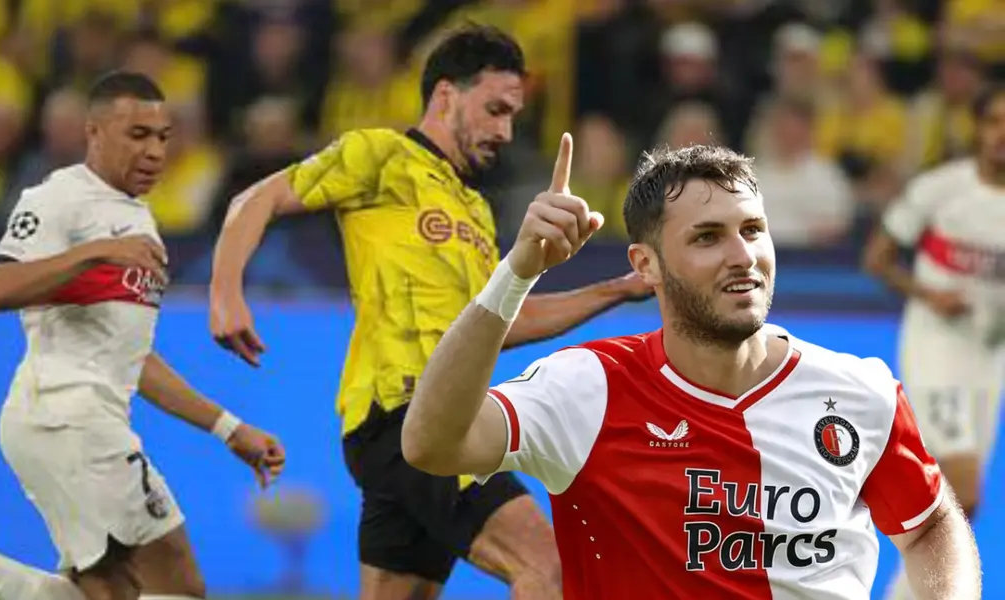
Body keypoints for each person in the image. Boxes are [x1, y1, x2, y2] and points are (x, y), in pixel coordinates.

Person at [401, 137, 981, 599]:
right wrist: (517, 275)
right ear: (645, 265)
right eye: (708, 237)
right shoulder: (586, 388)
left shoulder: (859, 391)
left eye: (753, 230)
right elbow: (432, 443)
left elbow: (930, 525)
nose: (742, 256)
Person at [210, 24, 650, 600]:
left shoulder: (473, 208)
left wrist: (617, 289)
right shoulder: (380, 154)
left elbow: (498, 324)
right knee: (551, 570)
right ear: (446, 94)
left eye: (514, 115)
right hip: (406, 411)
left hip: (426, 422)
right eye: (494, 110)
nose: (505, 130)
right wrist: (225, 291)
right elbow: (258, 197)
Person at [0, 72, 286, 600]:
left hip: (81, 421)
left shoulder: (139, 221)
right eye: (137, 135)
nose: (154, 151)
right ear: (94, 132)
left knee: (107, 593)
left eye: (163, 136)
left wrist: (228, 428)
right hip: (68, 419)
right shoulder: (58, 198)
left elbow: (132, 358)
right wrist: (95, 252)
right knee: (173, 590)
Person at [864, 83, 1005, 600]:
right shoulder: (942, 189)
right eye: (993, 121)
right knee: (960, 488)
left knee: (967, 503)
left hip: (991, 351)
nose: (1002, 134)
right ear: (978, 128)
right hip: (938, 344)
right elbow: (876, 258)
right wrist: (929, 293)